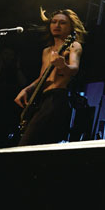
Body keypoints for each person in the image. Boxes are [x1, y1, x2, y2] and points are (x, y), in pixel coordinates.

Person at [14, 8, 86, 146]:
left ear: (71, 27)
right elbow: (42, 78)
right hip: (42, 99)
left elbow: (74, 69)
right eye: (54, 22)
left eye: (62, 23)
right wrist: (26, 90)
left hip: (58, 98)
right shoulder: (46, 51)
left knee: (27, 143)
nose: (57, 25)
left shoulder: (73, 46)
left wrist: (62, 65)